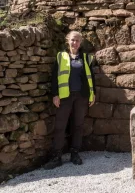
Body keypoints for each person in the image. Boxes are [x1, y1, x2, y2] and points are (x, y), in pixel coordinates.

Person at [44, 31, 95, 170]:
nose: (75, 43)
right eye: (73, 40)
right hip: (64, 96)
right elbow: (54, 77)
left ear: (80, 42)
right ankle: (57, 157)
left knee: (78, 125)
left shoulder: (85, 57)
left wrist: (92, 94)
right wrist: (55, 94)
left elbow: (91, 77)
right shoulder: (61, 56)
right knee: (60, 126)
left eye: (78, 40)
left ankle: (75, 153)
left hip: (82, 96)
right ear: (68, 40)